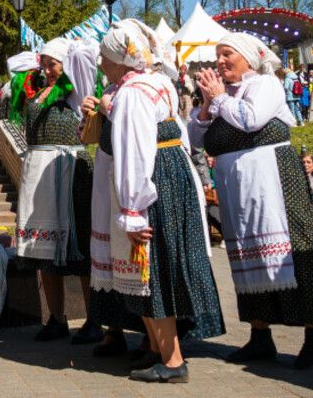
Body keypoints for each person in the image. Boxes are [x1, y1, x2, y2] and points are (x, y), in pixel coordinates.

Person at [85, 21, 223, 384]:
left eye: (104, 55)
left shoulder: (131, 93)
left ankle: (173, 360)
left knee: (149, 267)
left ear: (118, 59)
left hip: (154, 179)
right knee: (156, 265)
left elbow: (134, 152)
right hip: (174, 175)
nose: (100, 62)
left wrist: (131, 211)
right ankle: (158, 349)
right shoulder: (158, 82)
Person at [189, 32, 313, 369]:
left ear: (248, 58)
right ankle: (260, 336)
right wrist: (209, 105)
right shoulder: (221, 95)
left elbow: (250, 119)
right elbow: (196, 139)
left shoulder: (265, 84)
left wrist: (220, 99)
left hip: (275, 180)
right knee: (246, 256)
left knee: (293, 251)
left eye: (228, 54)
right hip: (237, 187)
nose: (221, 61)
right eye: (218, 56)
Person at [12, 37, 103, 344]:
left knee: (80, 246)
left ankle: (94, 320)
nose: (48, 70)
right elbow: (14, 75)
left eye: (53, 64)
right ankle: (57, 318)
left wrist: (72, 49)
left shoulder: (77, 92)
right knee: (43, 250)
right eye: (45, 65)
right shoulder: (39, 93)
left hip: (71, 169)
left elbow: (86, 58)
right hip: (39, 172)